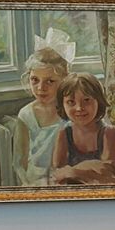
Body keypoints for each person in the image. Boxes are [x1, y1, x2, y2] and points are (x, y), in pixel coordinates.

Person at [13, 34, 73, 186]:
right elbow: (20, 161)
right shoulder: (26, 114)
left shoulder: (72, 112)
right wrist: (28, 186)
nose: (41, 88)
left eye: (50, 81)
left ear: (64, 81)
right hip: (34, 182)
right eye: (35, 80)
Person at [50, 72, 115, 185]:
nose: (79, 108)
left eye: (86, 100)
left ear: (99, 101)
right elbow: (57, 175)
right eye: (71, 102)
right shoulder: (64, 133)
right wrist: (92, 167)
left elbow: (110, 175)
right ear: (63, 105)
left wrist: (73, 171)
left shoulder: (108, 132)